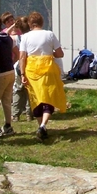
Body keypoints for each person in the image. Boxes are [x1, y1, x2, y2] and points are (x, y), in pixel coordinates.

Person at [18, 12, 67, 141]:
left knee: (35, 99)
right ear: (42, 23)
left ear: (30, 24)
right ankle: (44, 125)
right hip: (48, 69)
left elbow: (22, 57)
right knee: (48, 97)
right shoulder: (49, 34)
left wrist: (22, 73)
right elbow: (60, 53)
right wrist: (50, 53)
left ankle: (41, 125)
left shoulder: (25, 37)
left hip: (32, 70)